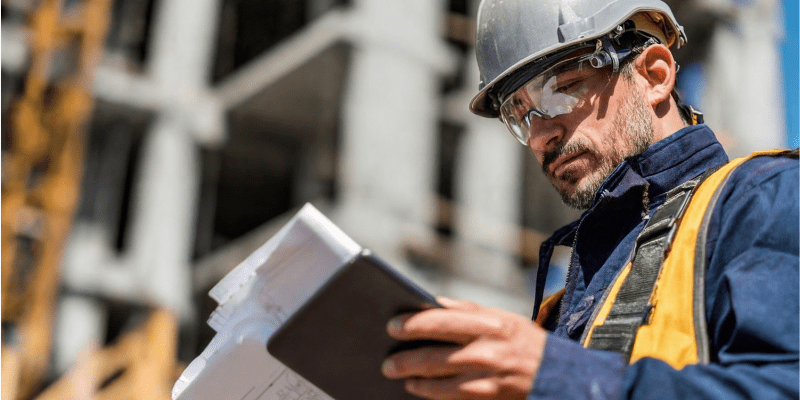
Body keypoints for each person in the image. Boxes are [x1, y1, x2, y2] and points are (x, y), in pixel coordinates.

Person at [380, 0, 799, 399]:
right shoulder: (563, 309)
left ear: (654, 76)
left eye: (561, 91)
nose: (541, 135)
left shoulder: (764, 200)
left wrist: (554, 375)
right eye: (520, 114)